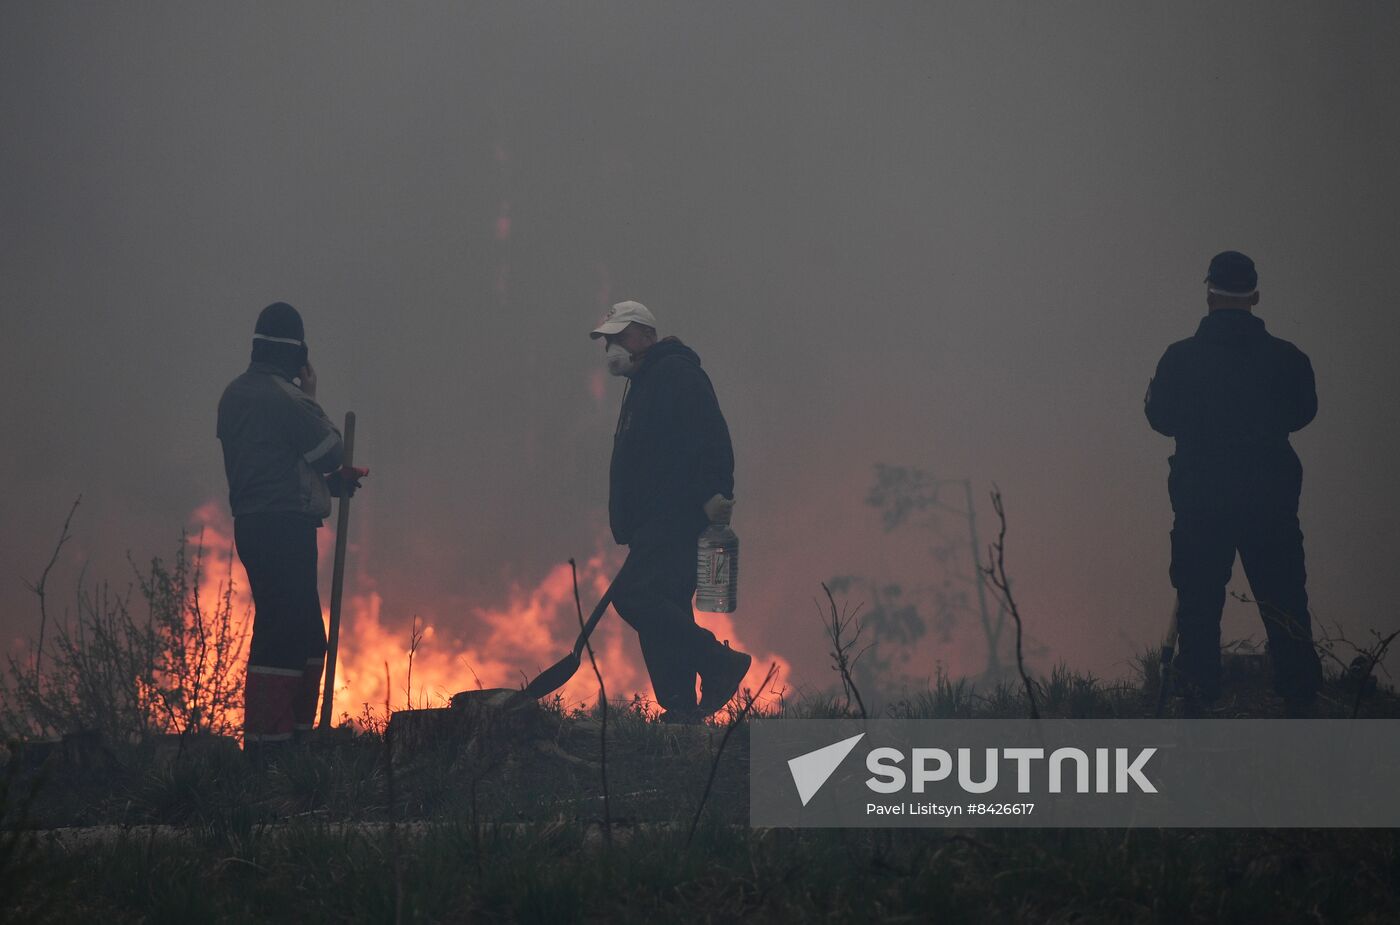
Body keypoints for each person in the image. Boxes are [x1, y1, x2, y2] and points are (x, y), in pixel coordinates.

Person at [1145, 252, 1322, 713]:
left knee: (1198, 604)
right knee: (1284, 602)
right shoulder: (1288, 359)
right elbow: (1304, 412)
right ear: (1256, 296)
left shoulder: (1179, 359)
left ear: (1209, 294)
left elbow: (1159, 417)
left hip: (1201, 503)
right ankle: (1301, 700)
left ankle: (1197, 696)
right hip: (1270, 502)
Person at [591, 300, 752, 722]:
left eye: (620, 337)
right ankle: (680, 707)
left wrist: (717, 493)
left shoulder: (675, 374)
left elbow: (711, 435)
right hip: (652, 521)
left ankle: (719, 663)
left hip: (678, 514)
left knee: (636, 596)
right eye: (607, 340)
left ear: (647, 335)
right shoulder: (643, 384)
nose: (612, 347)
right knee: (667, 606)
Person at [217, 302, 366, 750]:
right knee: (285, 636)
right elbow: (330, 450)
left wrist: (326, 486)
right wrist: (313, 395)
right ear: (297, 355)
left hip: (257, 524)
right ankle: (272, 753)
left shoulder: (235, 394)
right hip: (284, 528)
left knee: (301, 634)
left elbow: (273, 459)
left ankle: (296, 743)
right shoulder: (287, 398)